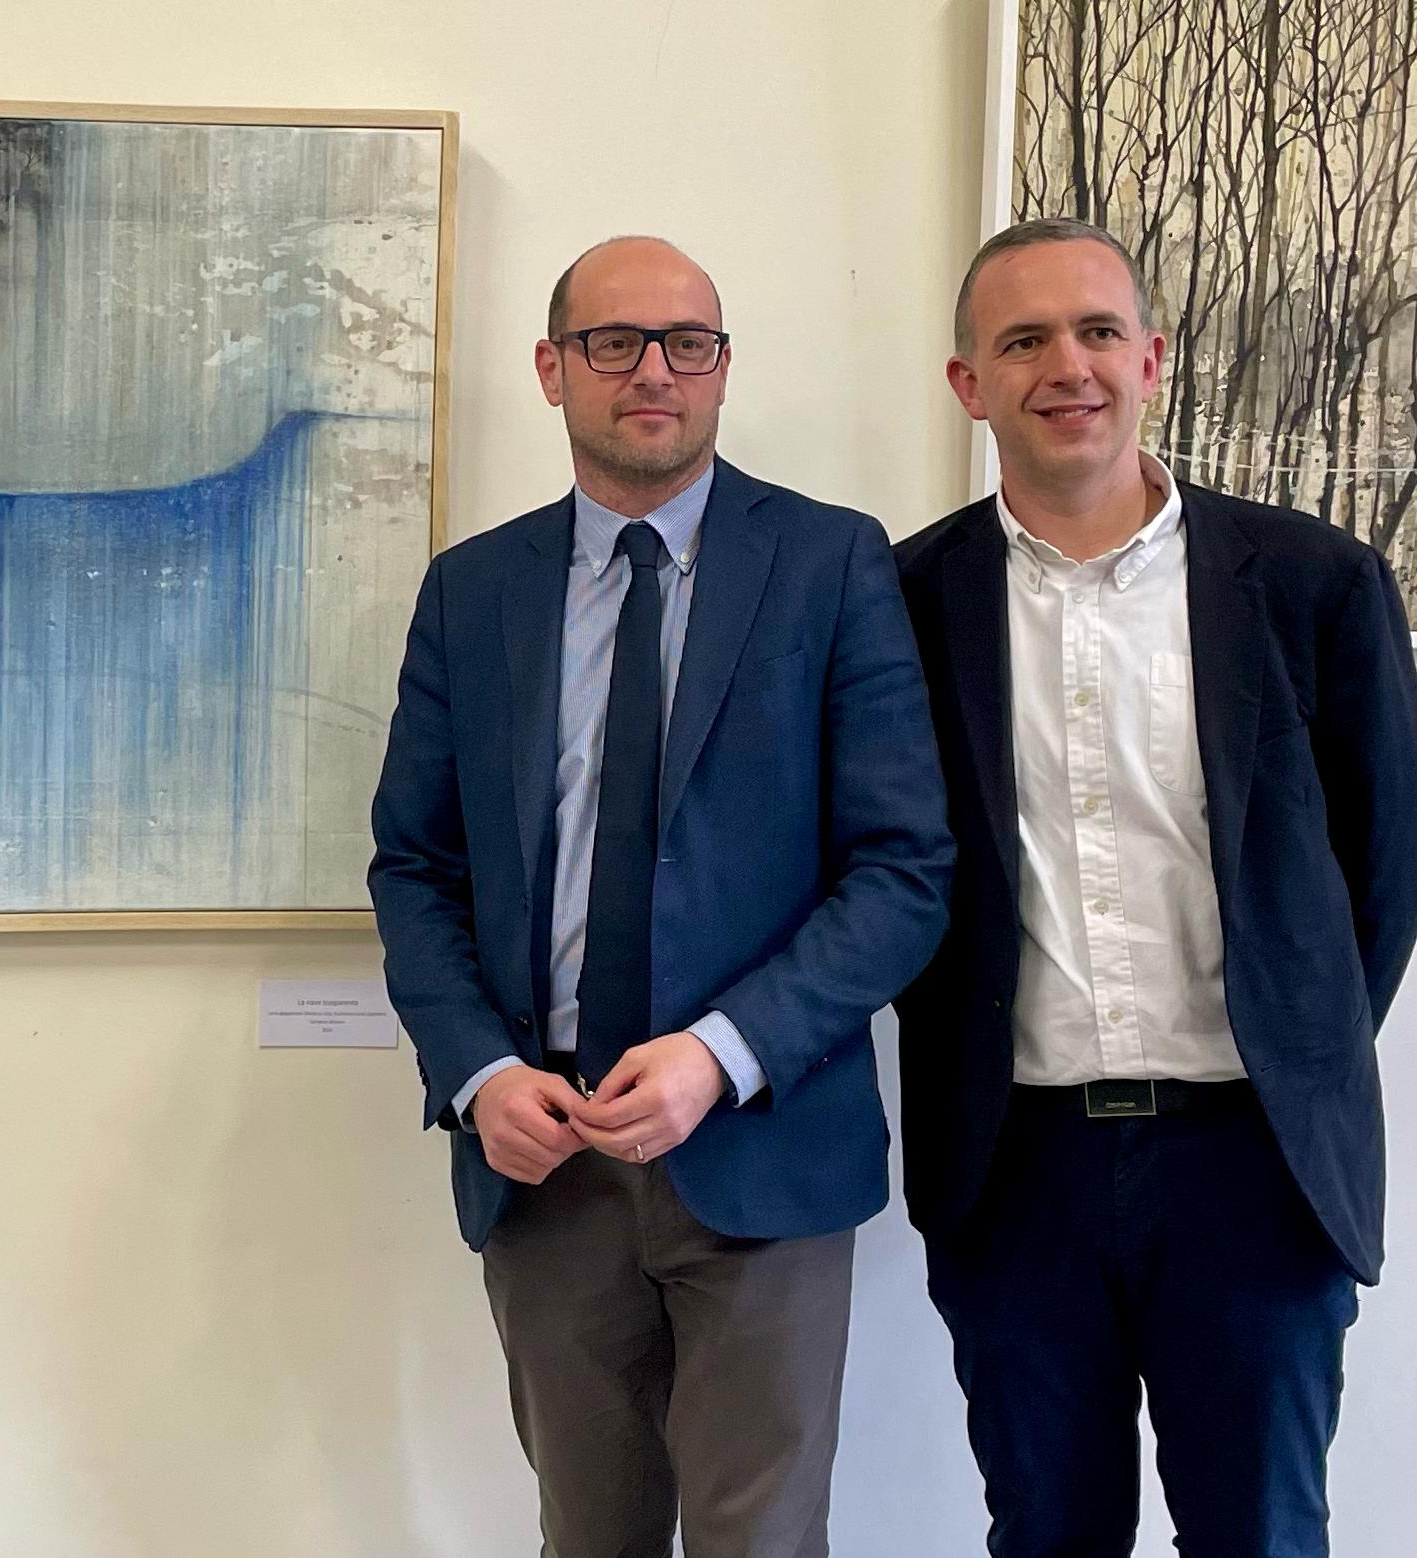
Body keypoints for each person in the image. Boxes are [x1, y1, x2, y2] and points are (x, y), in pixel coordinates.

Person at [369, 235, 952, 1556]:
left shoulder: (828, 563)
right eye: (613, 342)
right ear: (551, 368)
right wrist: (478, 1072)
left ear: (722, 368)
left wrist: (719, 1054)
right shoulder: (472, 592)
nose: (653, 371)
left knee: (763, 1540)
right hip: (545, 1157)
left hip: (759, 1142)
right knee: (587, 1536)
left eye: (687, 343)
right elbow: (414, 865)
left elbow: (903, 871)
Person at [894, 217, 1417, 1557]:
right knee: (1045, 1533)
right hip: (1016, 1170)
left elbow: (1379, 871)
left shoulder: (1313, 583)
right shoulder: (903, 601)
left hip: (1253, 1165)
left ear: (1151, 358)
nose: (1064, 365)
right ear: (967, 382)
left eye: (1095, 331)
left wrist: (1296, 1047)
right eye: (1022, 340)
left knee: (1261, 1536)